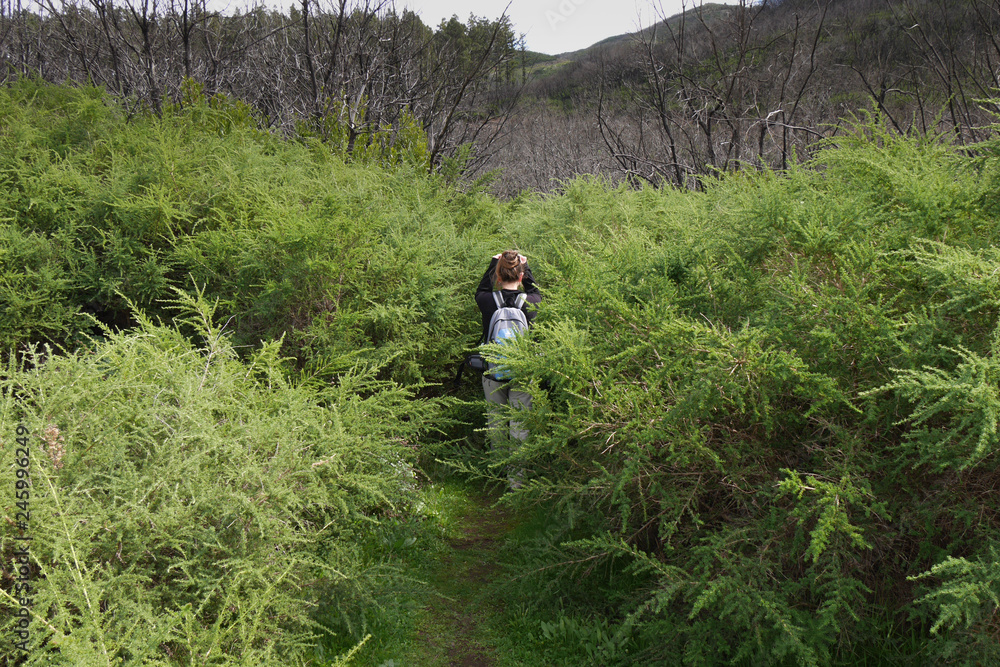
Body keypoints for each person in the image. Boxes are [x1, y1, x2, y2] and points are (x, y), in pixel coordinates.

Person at [475, 250, 542, 488]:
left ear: (497, 277)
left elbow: (481, 290)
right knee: (519, 426)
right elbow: (537, 292)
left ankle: (496, 474)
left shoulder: (487, 301)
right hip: (523, 372)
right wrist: (526, 267)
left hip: (492, 372)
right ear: (521, 277)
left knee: (495, 424)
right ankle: (517, 482)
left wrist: (494, 261)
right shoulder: (531, 302)